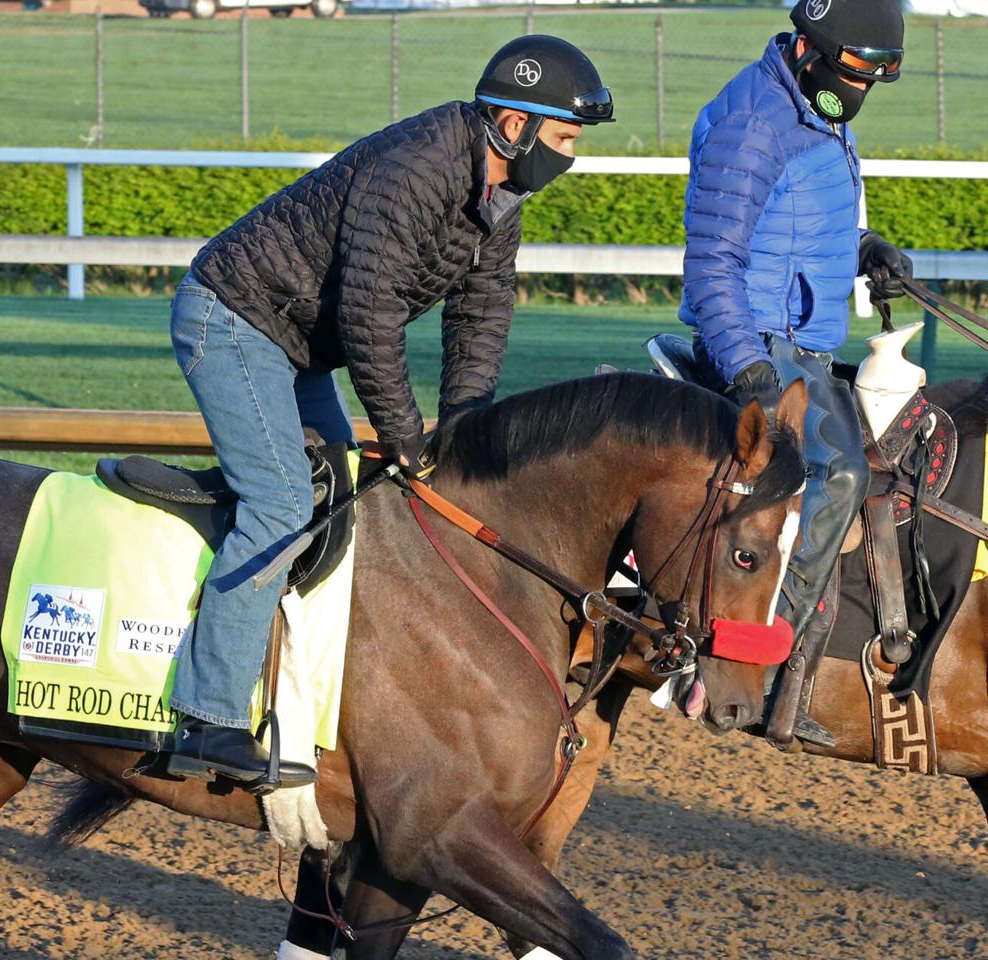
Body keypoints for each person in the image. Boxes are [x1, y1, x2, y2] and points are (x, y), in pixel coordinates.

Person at [165, 35, 615, 790]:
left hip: (301, 344)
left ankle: (303, 700)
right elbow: (370, 314)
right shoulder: (418, 166)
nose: (569, 157)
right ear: (514, 125)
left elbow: (480, 316)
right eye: (564, 138)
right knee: (281, 505)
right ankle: (207, 718)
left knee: (345, 510)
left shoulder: (501, 200)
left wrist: (464, 431)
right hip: (232, 317)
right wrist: (406, 436)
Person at [679, 0, 913, 748]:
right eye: (854, 74)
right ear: (811, 48)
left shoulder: (814, 107)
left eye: (878, 78)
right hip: (757, 340)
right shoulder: (754, 125)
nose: (863, 93)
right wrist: (746, 366)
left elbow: (803, 219)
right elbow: (714, 263)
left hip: (801, 341)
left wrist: (866, 249)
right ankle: (768, 667)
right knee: (839, 473)